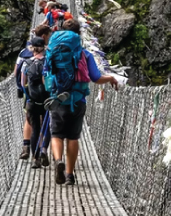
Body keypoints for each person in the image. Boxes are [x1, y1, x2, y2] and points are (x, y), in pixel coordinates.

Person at [46, 18, 118, 186]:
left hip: (57, 99)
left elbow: (47, 74)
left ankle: (58, 161)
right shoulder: (85, 54)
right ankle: (70, 175)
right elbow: (95, 77)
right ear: (79, 34)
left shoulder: (52, 50)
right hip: (78, 100)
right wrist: (111, 78)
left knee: (56, 134)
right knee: (73, 137)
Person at [14, 25, 52, 159]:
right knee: (45, 122)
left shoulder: (24, 53)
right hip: (46, 96)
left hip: (30, 95)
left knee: (30, 121)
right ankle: (43, 149)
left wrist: (21, 89)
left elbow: (16, 72)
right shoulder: (48, 56)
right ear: (43, 38)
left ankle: (27, 148)